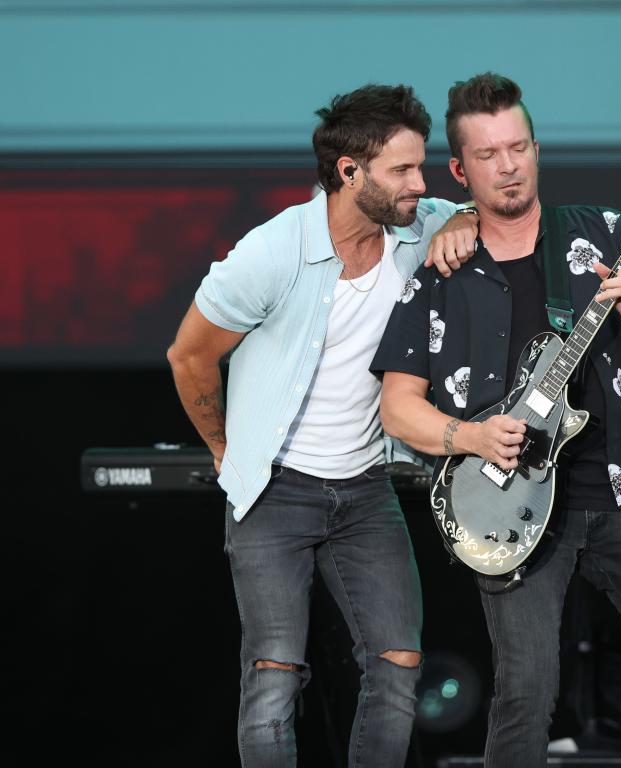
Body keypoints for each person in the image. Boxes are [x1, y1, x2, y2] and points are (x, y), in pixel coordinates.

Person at [372, 73, 621, 767]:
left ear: (536, 148)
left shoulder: (604, 234)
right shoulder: (442, 275)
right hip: (513, 507)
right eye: (488, 154)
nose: (507, 166)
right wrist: (469, 436)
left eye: (519, 147)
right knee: (524, 694)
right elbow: (397, 407)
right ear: (459, 169)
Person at [166, 83, 478, 768]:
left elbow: (486, 210)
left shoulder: (416, 225)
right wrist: (223, 448)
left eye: (420, 167)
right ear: (349, 172)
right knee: (275, 680)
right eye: (401, 169)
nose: (417, 184)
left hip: (366, 490)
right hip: (276, 492)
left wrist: (464, 217)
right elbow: (189, 356)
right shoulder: (271, 252)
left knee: (397, 665)